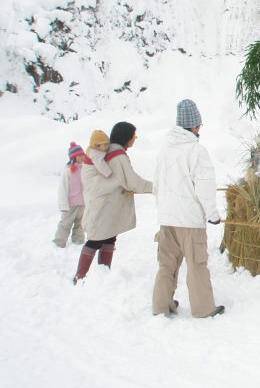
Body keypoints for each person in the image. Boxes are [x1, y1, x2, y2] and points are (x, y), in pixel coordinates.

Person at [152, 99, 225, 318]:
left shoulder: (164, 150)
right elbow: (204, 187)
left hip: (166, 219)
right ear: (194, 126)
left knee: (166, 265)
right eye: (199, 125)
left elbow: (157, 185)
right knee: (197, 265)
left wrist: (164, 210)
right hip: (190, 222)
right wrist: (212, 215)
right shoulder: (196, 151)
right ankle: (203, 309)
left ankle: (161, 306)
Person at [73, 122, 153, 284]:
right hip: (104, 205)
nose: (134, 140)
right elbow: (131, 181)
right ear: (127, 138)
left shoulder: (111, 152)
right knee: (96, 239)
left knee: (108, 237)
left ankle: (103, 273)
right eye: (133, 137)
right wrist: (155, 187)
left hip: (107, 204)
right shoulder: (117, 156)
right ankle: (80, 276)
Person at [53, 142, 86, 247]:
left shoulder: (85, 169)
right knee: (65, 224)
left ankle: (78, 241)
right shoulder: (67, 171)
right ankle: (59, 242)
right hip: (70, 204)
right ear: (74, 157)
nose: (82, 157)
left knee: (80, 223)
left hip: (83, 202)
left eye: (83, 155)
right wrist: (63, 205)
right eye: (79, 155)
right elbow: (62, 189)